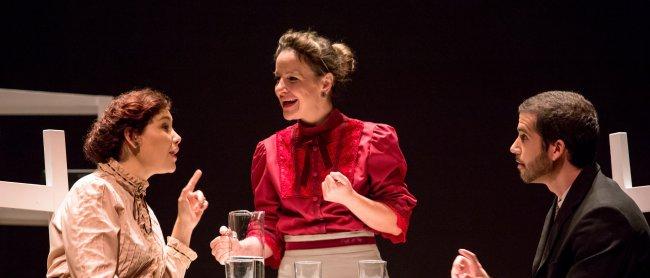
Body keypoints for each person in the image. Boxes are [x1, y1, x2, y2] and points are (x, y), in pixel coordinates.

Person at [210, 29, 417, 278]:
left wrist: (350, 198)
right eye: (278, 78)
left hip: (359, 269)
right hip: (296, 271)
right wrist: (241, 248)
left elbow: (396, 224)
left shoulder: (372, 139)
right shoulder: (271, 150)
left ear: (325, 83)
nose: (280, 88)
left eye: (292, 79)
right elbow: (270, 230)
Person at [451, 91, 650, 278]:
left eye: (524, 137)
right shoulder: (570, 199)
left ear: (556, 149)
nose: (513, 147)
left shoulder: (604, 219)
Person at [46, 88, 209, 277]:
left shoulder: (142, 208)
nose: (177, 137)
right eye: (165, 127)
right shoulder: (95, 191)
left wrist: (184, 225)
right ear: (132, 136)